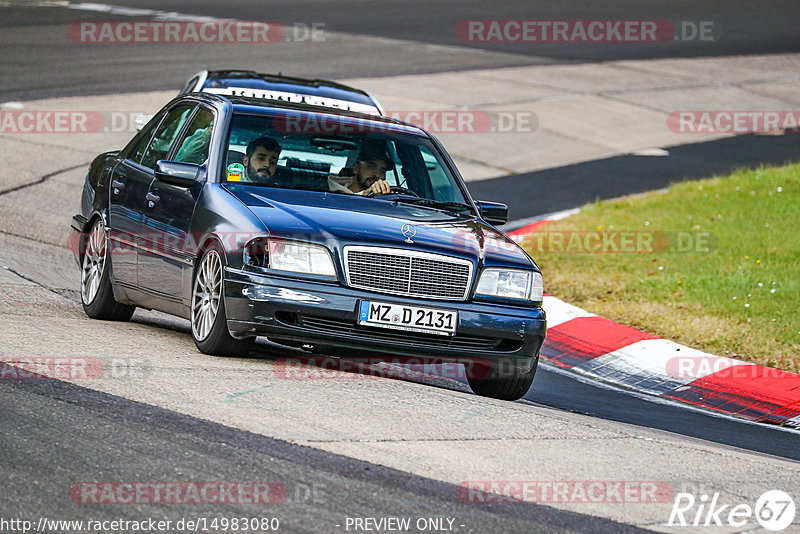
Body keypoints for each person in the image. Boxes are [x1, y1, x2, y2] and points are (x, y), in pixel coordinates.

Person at [328, 147, 394, 196]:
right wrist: (364, 194)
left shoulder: (384, 199)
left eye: (382, 171)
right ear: (356, 168)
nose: (377, 175)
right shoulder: (327, 191)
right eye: (371, 167)